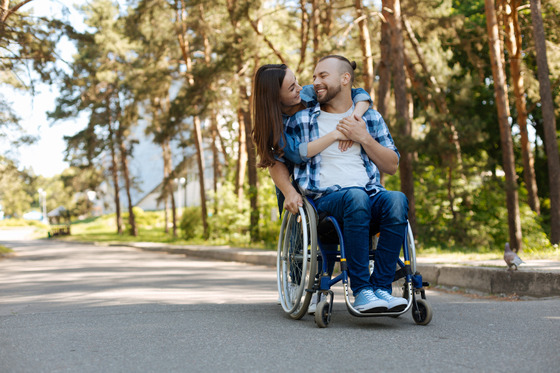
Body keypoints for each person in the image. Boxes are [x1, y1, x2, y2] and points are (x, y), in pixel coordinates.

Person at [283, 55, 409, 313]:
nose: (316, 82)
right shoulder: (302, 121)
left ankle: (382, 290)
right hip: (324, 204)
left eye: (323, 76)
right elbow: (288, 156)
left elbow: (392, 166)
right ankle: (362, 290)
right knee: (355, 197)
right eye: (314, 76)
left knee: (396, 199)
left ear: (345, 79)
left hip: (369, 196)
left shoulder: (370, 118)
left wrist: (364, 138)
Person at [251, 64, 372, 216]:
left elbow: (359, 94)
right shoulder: (274, 128)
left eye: (296, 81)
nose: (300, 88)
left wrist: (353, 120)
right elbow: (295, 154)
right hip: (308, 184)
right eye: (291, 88)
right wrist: (336, 134)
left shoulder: (309, 92)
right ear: (275, 98)